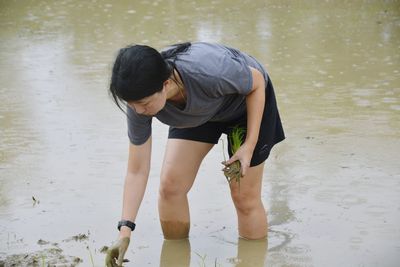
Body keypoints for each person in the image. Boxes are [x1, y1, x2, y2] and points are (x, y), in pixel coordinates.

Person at [105, 42, 285, 266]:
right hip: (199, 112)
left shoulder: (207, 70)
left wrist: (249, 145)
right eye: (132, 105)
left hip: (246, 102)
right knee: (171, 187)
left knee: (244, 196)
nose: (139, 111)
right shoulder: (138, 102)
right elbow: (137, 170)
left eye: (143, 104)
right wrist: (124, 233)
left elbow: (256, 81)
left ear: (166, 83)